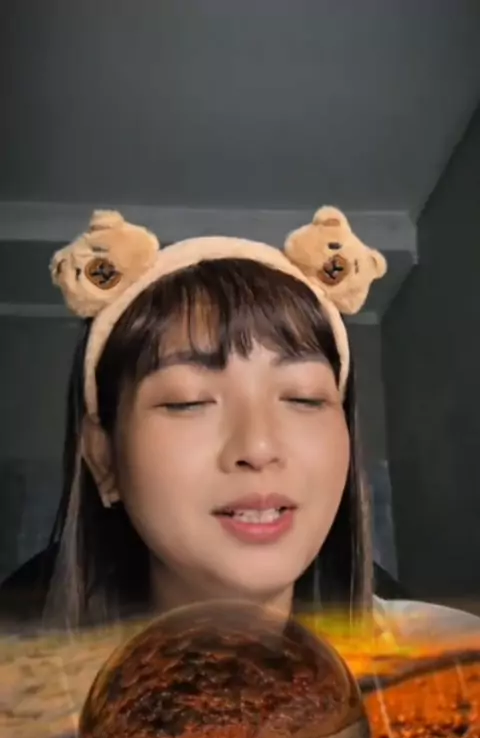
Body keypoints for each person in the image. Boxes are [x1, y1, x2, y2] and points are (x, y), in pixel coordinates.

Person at [0, 206, 478, 647]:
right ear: (103, 457)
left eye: (303, 398)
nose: (259, 446)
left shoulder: (454, 662)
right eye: (188, 401)